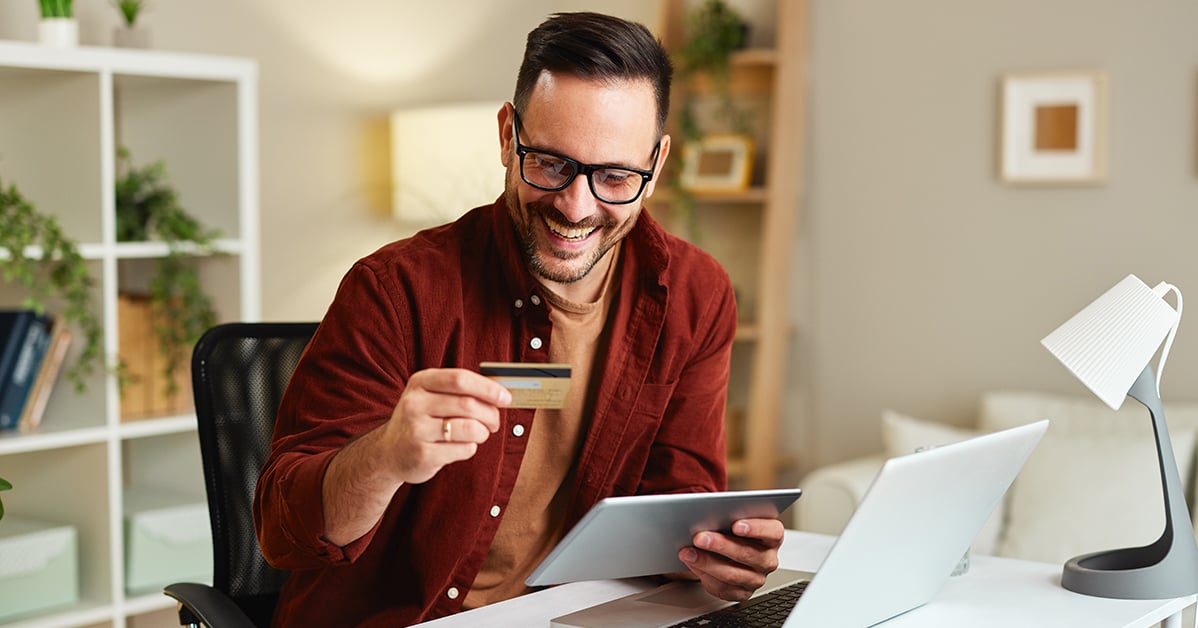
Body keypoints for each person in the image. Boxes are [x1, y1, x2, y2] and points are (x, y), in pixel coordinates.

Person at [253, 11, 784, 627]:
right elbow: (280, 534)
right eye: (552, 164)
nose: (576, 207)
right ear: (508, 136)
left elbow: (677, 505)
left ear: (656, 166)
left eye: (615, 176)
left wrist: (717, 555)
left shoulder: (696, 293)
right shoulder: (394, 289)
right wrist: (386, 457)